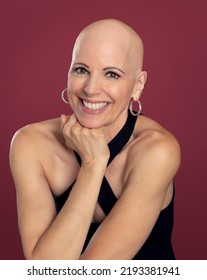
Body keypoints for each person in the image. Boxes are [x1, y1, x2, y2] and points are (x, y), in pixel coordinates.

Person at [9, 19, 181, 260]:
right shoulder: (30, 143)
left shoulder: (157, 150)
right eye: (81, 70)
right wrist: (93, 165)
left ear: (137, 85)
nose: (91, 89)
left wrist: (92, 162)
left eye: (112, 74)